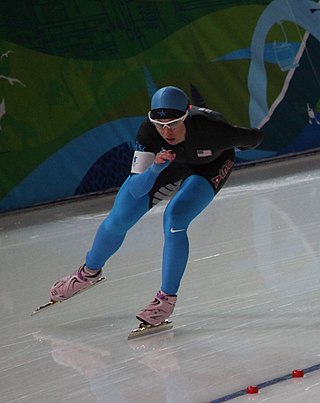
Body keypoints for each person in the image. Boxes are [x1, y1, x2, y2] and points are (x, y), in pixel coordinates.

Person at [50, 86, 263, 326]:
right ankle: (88, 273)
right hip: (167, 164)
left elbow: (255, 137)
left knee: (175, 220)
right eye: (160, 124)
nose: (166, 131)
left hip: (210, 164)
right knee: (120, 217)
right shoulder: (148, 133)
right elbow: (136, 189)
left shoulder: (214, 130)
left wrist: (240, 142)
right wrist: (155, 169)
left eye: (173, 123)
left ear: (186, 115)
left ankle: (166, 299)